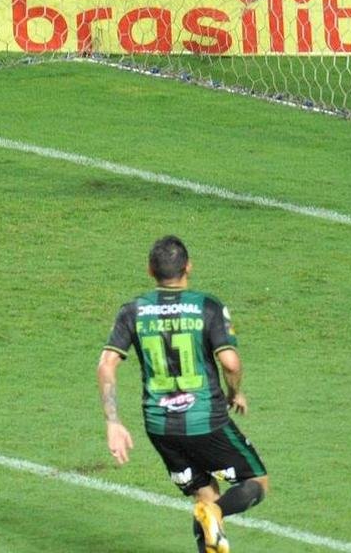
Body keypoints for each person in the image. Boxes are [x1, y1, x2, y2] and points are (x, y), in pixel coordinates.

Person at [97, 236, 268, 553]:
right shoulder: (207, 306)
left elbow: (106, 365)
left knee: (204, 495)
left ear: (150, 270)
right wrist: (236, 392)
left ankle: (209, 515)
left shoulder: (132, 311)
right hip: (206, 421)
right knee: (255, 481)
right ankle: (216, 512)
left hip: (161, 427)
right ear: (189, 266)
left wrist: (113, 422)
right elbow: (230, 362)